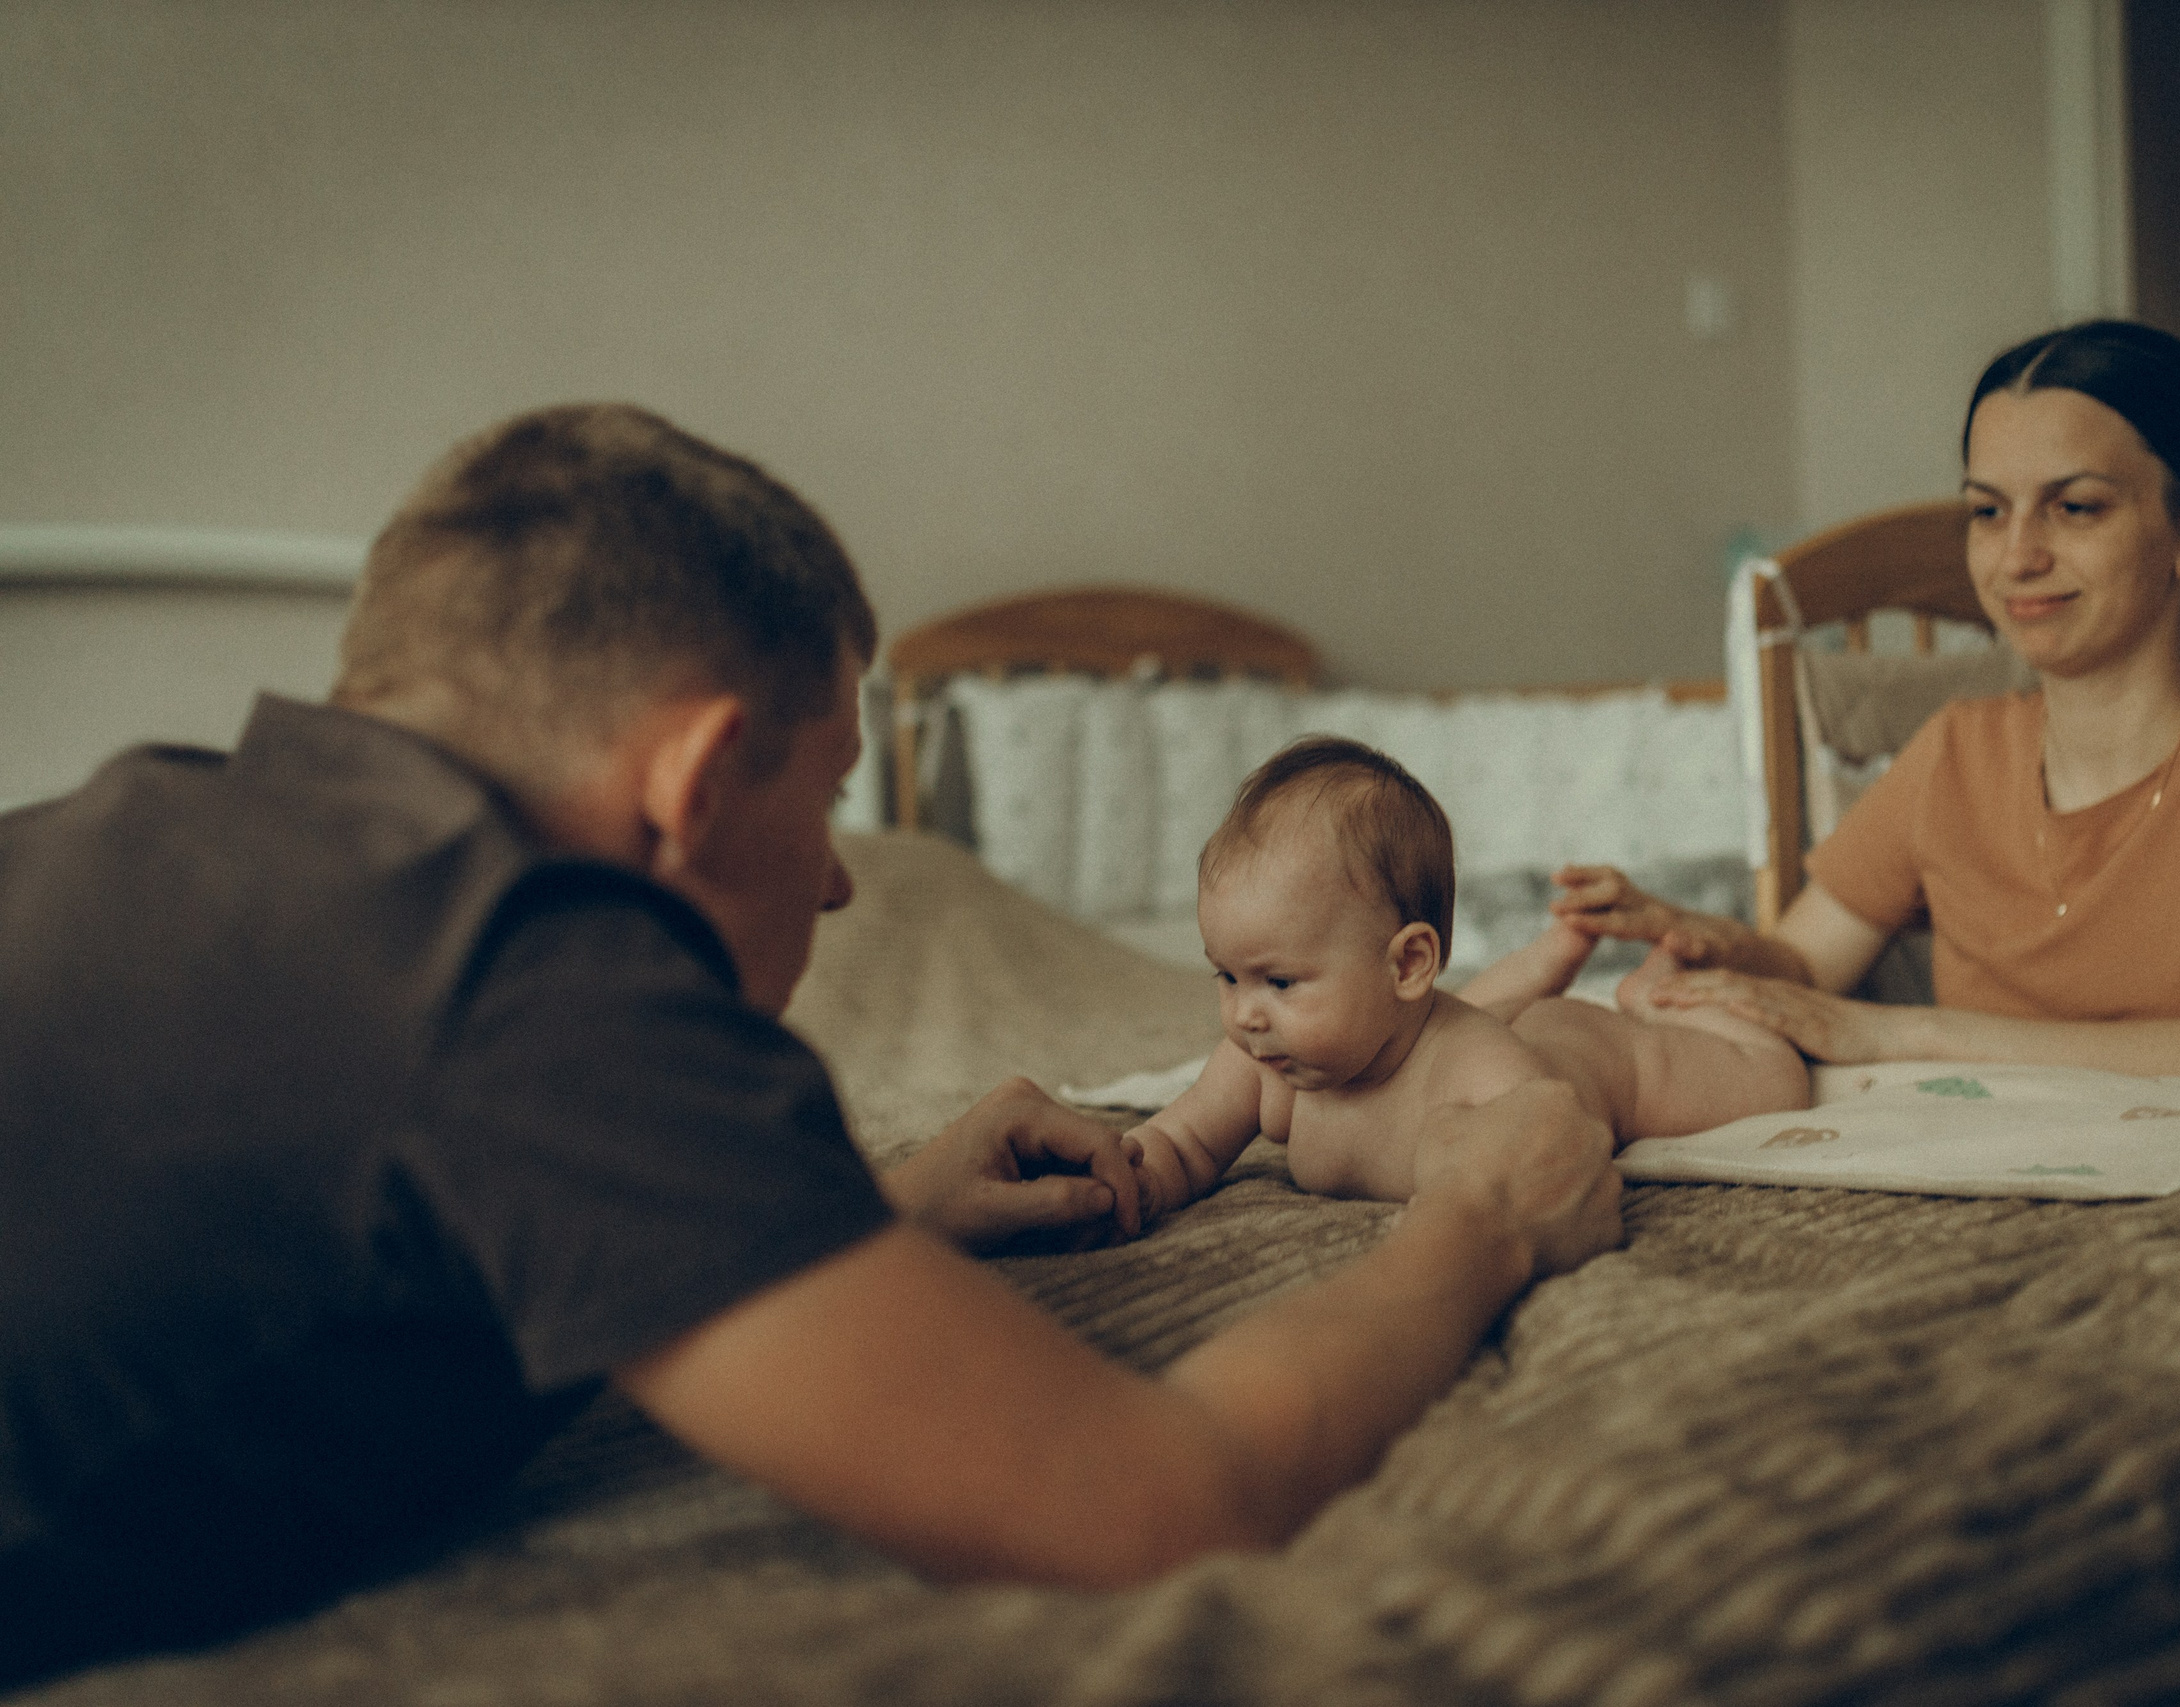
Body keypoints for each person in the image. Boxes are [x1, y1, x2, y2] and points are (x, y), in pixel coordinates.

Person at [0, 404, 1623, 1687]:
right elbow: (1154, 1508)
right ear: (699, 780)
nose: (845, 875)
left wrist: (881, 1216)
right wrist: (1485, 1220)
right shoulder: (526, 968)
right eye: (831, 792)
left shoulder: (133, 829)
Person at [1549, 320, 2180, 1087]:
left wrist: (1902, 1031)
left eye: (2076, 508)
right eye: (1987, 511)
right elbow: (1804, 963)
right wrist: (1701, 938)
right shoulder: (1956, 753)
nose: (2016, 557)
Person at [1121, 738, 1808, 1216]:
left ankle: (1661, 991)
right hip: (1439, 1022)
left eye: (1277, 981)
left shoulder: (1486, 1073)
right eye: (1227, 977)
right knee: (1465, 1010)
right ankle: (1550, 958)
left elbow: (1549, 1163)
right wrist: (1131, 1179)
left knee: (1778, 1079)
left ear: (1409, 963)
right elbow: (1182, 1142)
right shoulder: (1266, 1059)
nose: (1244, 1013)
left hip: (1598, 1057)